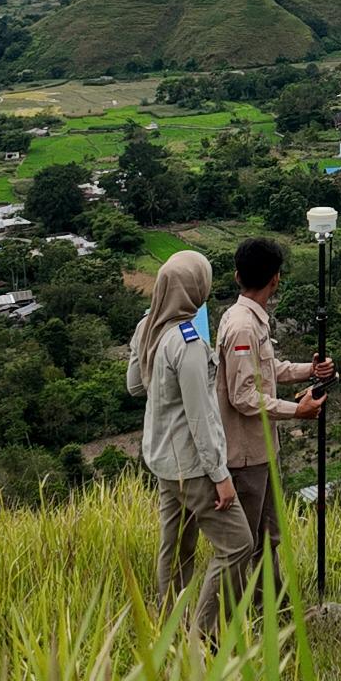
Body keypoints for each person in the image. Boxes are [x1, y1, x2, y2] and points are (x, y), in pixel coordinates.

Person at [127, 248, 251, 639]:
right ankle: (204, 630)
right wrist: (221, 475)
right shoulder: (188, 342)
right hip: (194, 467)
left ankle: (169, 630)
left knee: (175, 550)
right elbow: (201, 417)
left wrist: (139, 341)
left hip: (163, 462)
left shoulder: (149, 328)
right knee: (237, 546)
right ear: (195, 289)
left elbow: (134, 385)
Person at [216, 236, 335, 605]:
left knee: (268, 536)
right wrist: (295, 411)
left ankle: (275, 607)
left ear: (238, 275)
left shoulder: (250, 321)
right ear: (276, 279)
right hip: (246, 454)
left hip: (263, 449)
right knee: (244, 543)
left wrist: (309, 370)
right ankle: (224, 618)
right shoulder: (242, 327)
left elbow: (267, 371)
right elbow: (243, 395)